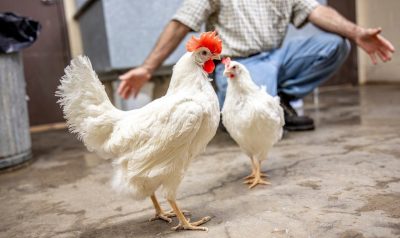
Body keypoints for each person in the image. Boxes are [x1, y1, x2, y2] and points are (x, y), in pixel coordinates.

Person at [117, 0, 395, 131]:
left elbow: (316, 10)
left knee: (337, 45)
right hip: (238, 63)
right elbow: (182, 23)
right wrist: (148, 68)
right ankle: (250, 108)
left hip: (275, 57)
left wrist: (356, 31)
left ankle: (280, 99)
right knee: (257, 126)